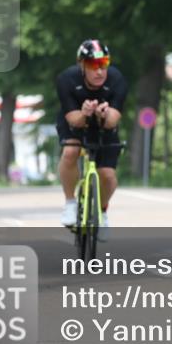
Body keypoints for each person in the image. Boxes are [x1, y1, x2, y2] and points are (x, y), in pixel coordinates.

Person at [56, 40, 128, 241]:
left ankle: (102, 212)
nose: (99, 71)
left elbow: (113, 120)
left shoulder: (116, 79)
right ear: (82, 65)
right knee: (70, 152)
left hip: (103, 125)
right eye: (93, 65)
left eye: (103, 64)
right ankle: (70, 203)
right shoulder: (67, 79)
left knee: (107, 175)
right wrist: (85, 113)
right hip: (75, 120)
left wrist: (102, 115)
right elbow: (73, 120)